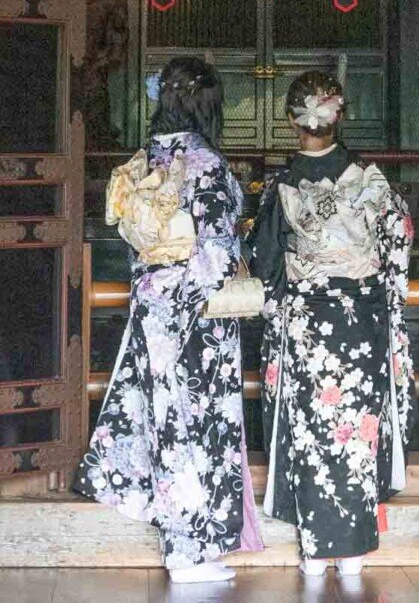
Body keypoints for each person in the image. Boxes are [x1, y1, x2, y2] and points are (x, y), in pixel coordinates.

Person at [74, 56, 262, 583]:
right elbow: (219, 248)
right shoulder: (204, 163)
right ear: (207, 104)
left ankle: (186, 544)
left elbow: (138, 234)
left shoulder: (147, 157)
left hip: (153, 301)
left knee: (164, 419)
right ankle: (189, 549)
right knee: (198, 424)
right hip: (195, 313)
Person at [247, 71, 415, 577]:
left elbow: (265, 260)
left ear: (293, 121)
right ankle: (354, 555)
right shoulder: (371, 177)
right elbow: (398, 244)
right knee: (357, 432)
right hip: (361, 319)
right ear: (339, 114)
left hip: (305, 323)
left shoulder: (281, 184)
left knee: (312, 431)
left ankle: (315, 553)